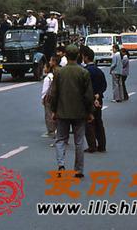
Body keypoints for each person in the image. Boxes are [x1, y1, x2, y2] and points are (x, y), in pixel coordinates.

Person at [50, 45, 94, 179]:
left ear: (66, 56)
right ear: (78, 55)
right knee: (79, 142)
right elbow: (88, 95)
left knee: (60, 140)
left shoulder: (59, 73)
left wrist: (53, 110)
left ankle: (61, 165)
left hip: (62, 111)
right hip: (79, 112)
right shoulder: (83, 72)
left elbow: (54, 93)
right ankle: (78, 170)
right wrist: (90, 112)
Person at [83, 48, 107, 153]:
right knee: (98, 122)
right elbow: (104, 85)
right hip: (99, 99)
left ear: (86, 57)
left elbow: (84, 88)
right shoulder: (99, 71)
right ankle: (102, 145)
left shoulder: (85, 71)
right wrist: (99, 94)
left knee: (89, 123)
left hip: (89, 100)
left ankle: (92, 146)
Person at [41, 56, 59, 140]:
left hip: (48, 97)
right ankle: (56, 130)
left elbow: (45, 90)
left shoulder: (47, 78)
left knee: (48, 114)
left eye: (45, 67)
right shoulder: (54, 75)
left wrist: (43, 98)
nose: (43, 69)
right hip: (55, 97)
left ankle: (51, 130)